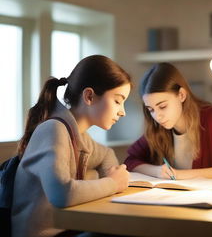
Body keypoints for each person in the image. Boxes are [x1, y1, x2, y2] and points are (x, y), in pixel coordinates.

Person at [12, 55, 131, 237]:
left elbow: (107, 154)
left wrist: (108, 175)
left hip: (67, 229)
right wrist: (113, 183)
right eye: (117, 100)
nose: (123, 112)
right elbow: (62, 194)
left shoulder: (78, 134)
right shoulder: (54, 129)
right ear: (89, 96)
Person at [124, 63, 212, 180]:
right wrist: (157, 171)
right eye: (151, 110)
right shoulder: (158, 127)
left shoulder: (211, 117)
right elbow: (130, 161)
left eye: (162, 106)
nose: (157, 116)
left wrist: (180, 175)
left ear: (181, 95)